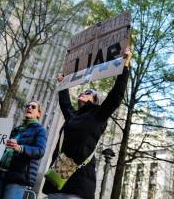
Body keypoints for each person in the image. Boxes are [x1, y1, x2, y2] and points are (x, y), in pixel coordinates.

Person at [42, 48, 132, 199]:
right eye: (84, 91)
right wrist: (62, 83)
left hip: (78, 186)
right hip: (57, 181)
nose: (85, 93)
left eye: (90, 93)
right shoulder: (72, 116)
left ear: (96, 101)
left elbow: (116, 95)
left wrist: (125, 65)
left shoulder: (98, 115)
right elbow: (65, 102)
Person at [0, 101, 47, 199]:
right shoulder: (16, 129)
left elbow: (40, 151)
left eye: (33, 107)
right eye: (27, 106)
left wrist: (20, 148)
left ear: (39, 114)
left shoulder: (40, 130)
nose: (29, 108)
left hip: (17, 177)